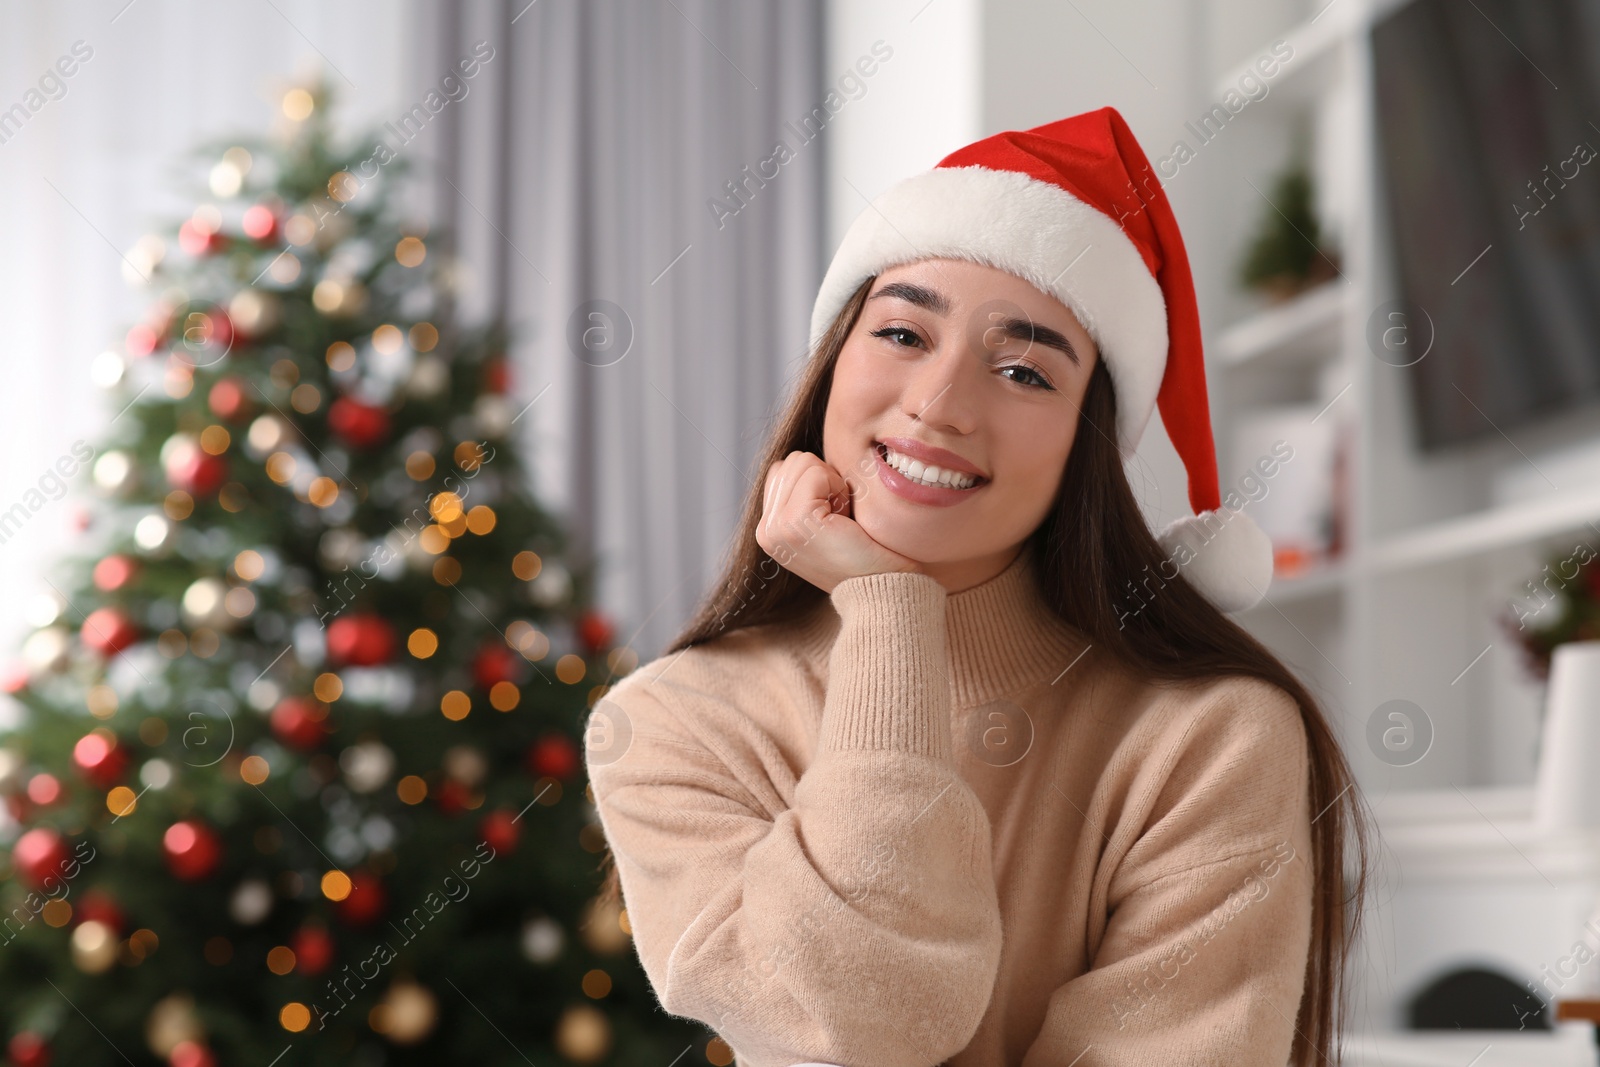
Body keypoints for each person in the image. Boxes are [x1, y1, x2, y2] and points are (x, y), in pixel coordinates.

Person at [583, 106, 1370, 1067]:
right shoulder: (675, 722)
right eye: (904, 334)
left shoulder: (1209, 736)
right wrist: (888, 620)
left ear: (1088, 441)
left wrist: (882, 608)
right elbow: (868, 1018)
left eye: (1023, 370)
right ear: (835, 366)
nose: (939, 404)